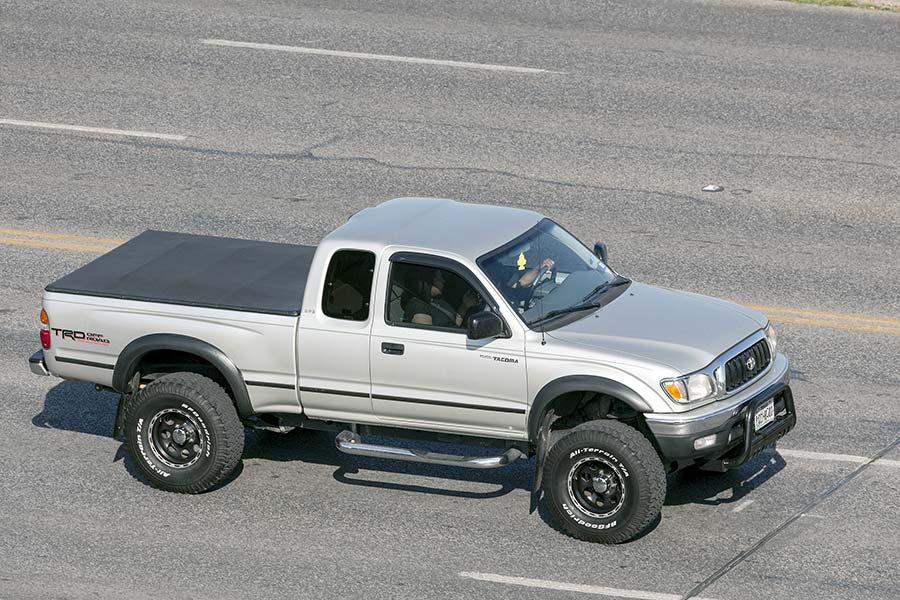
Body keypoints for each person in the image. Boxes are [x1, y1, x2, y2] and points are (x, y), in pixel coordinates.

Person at [407, 268, 480, 328]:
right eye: (439, 278)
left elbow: (454, 326)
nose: (443, 281)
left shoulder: (438, 301)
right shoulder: (419, 307)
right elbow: (427, 339)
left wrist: (465, 306)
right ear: (428, 281)